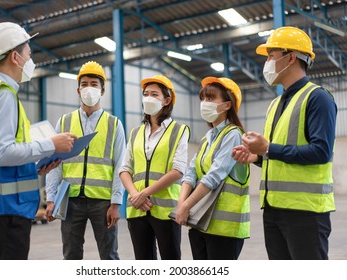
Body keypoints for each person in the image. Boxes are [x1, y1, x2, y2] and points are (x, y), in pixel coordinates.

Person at [0, 22, 76, 260]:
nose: (30, 61)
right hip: (3, 211)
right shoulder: (3, 95)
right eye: (28, 55)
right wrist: (52, 145)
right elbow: (0, 154)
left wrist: (35, 168)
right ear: (15, 57)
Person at [232, 26, 337, 260]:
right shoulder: (276, 103)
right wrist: (257, 156)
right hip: (274, 209)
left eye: (271, 55)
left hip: (305, 212)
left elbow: (321, 152)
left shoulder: (317, 98)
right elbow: (280, 154)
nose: (267, 62)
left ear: (290, 57)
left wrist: (267, 148)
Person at [45, 61, 126, 260]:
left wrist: (116, 203)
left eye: (94, 84)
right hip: (70, 201)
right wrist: (50, 198)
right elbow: (55, 165)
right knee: (71, 255)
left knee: (109, 256)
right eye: (84, 84)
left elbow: (120, 166)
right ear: (78, 90)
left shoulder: (114, 124)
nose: (89, 88)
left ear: (102, 90)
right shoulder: (64, 122)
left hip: (103, 202)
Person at [175, 77, 250, 260]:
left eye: (210, 99)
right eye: (203, 99)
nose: (204, 104)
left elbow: (214, 175)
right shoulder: (207, 138)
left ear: (226, 105)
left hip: (224, 229)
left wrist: (186, 205)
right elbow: (190, 173)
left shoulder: (233, 134)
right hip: (200, 221)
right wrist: (181, 205)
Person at [119, 74, 189, 260]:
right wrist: (136, 195)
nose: (148, 98)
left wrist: (145, 193)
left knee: (170, 260)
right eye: (146, 94)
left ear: (166, 100)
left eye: (154, 94)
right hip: (137, 208)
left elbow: (178, 170)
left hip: (166, 210)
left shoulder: (179, 130)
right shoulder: (135, 133)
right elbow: (125, 169)